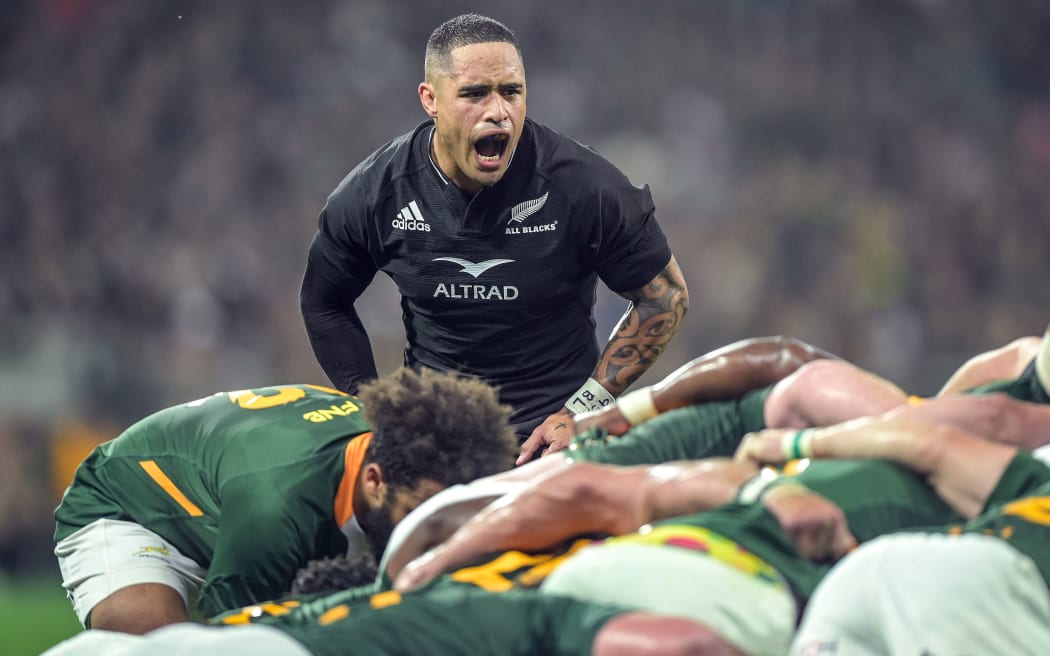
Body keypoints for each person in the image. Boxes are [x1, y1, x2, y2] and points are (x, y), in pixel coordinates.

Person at [392, 393, 1050, 654]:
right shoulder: (990, 504)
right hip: (734, 601)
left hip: (609, 585)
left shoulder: (761, 468)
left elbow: (580, 489)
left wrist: (431, 566)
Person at [298, 13, 689, 447]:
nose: (498, 111)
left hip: (552, 442)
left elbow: (664, 298)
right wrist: (370, 410)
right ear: (430, 99)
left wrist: (581, 411)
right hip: (432, 446)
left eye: (511, 92)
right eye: (475, 94)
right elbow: (324, 302)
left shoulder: (584, 187)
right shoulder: (377, 193)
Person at [52, 367, 517, 634]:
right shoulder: (274, 508)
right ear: (374, 481)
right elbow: (234, 640)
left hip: (234, 504)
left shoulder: (406, 459)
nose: (434, 527)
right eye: (423, 510)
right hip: (131, 508)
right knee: (159, 647)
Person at [733, 407, 1050, 655]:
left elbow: (932, 444)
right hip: (985, 586)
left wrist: (793, 443)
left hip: (870, 575)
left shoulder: (1035, 481)